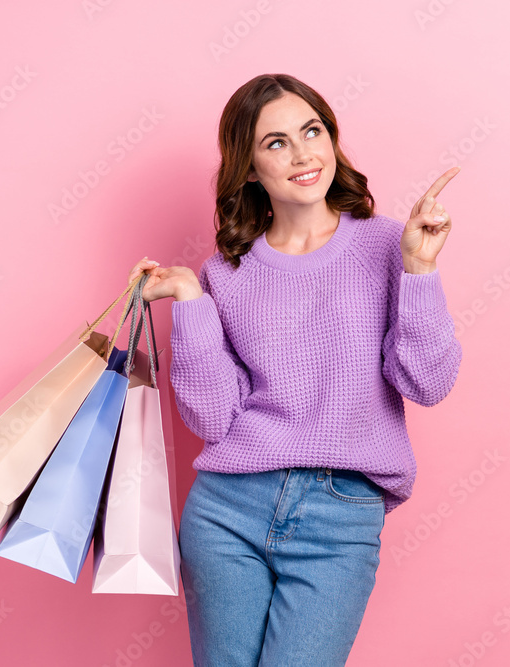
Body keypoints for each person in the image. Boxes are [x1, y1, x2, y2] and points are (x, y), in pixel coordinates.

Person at [126, 73, 463, 666]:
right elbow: (210, 417)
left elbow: (428, 384)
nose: (303, 153)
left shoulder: (391, 245)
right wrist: (190, 304)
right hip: (227, 510)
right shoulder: (224, 272)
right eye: (276, 142)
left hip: (341, 515)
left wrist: (418, 271)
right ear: (249, 168)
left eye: (312, 131)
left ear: (332, 139)